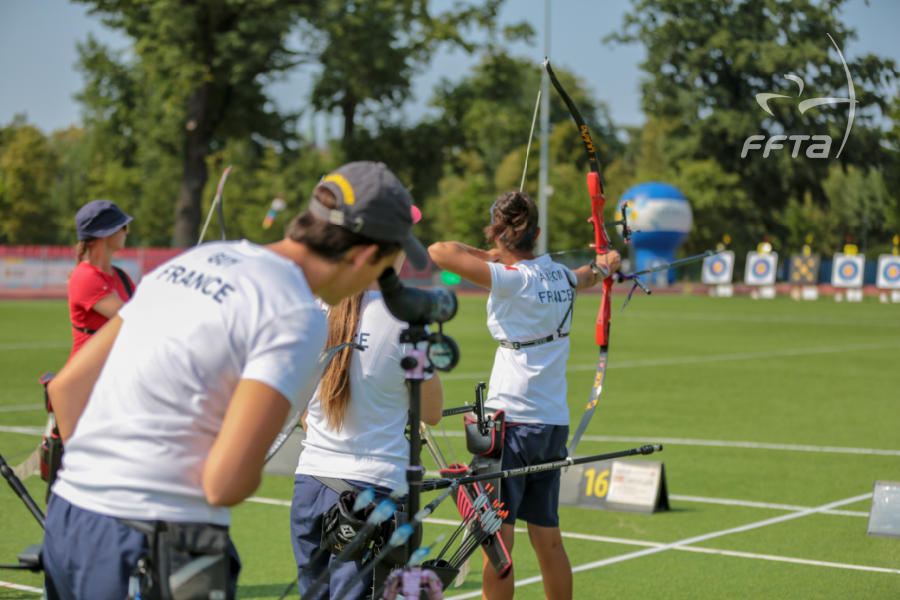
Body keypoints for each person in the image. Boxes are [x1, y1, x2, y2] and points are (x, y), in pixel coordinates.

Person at [42, 161, 429, 600]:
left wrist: (96, 487)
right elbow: (225, 482)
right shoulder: (296, 313)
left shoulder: (198, 257)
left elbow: (66, 389)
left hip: (69, 515)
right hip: (155, 541)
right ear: (363, 256)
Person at [428, 190, 621, 600]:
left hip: (509, 425)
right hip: (551, 424)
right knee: (548, 540)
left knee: (498, 545)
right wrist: (608, 264)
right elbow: (591, 274)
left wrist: (488, 253)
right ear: (536, 232)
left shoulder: (509, 279)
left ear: (500, 235)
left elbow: (439, 251)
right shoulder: (562, 276)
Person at [290, 245, 444, 600]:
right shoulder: (406, 322)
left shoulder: (314, 309)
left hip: (310, 485)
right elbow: (432, 412)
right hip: (371, 491)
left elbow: (301, 406)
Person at [68, 200, 136, 360]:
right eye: (123, 227)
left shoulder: (121, 276)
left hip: (111, 372)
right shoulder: (86, 277)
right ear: (105, 234)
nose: (126, 232)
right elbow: (132, 319)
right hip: (89, 378)